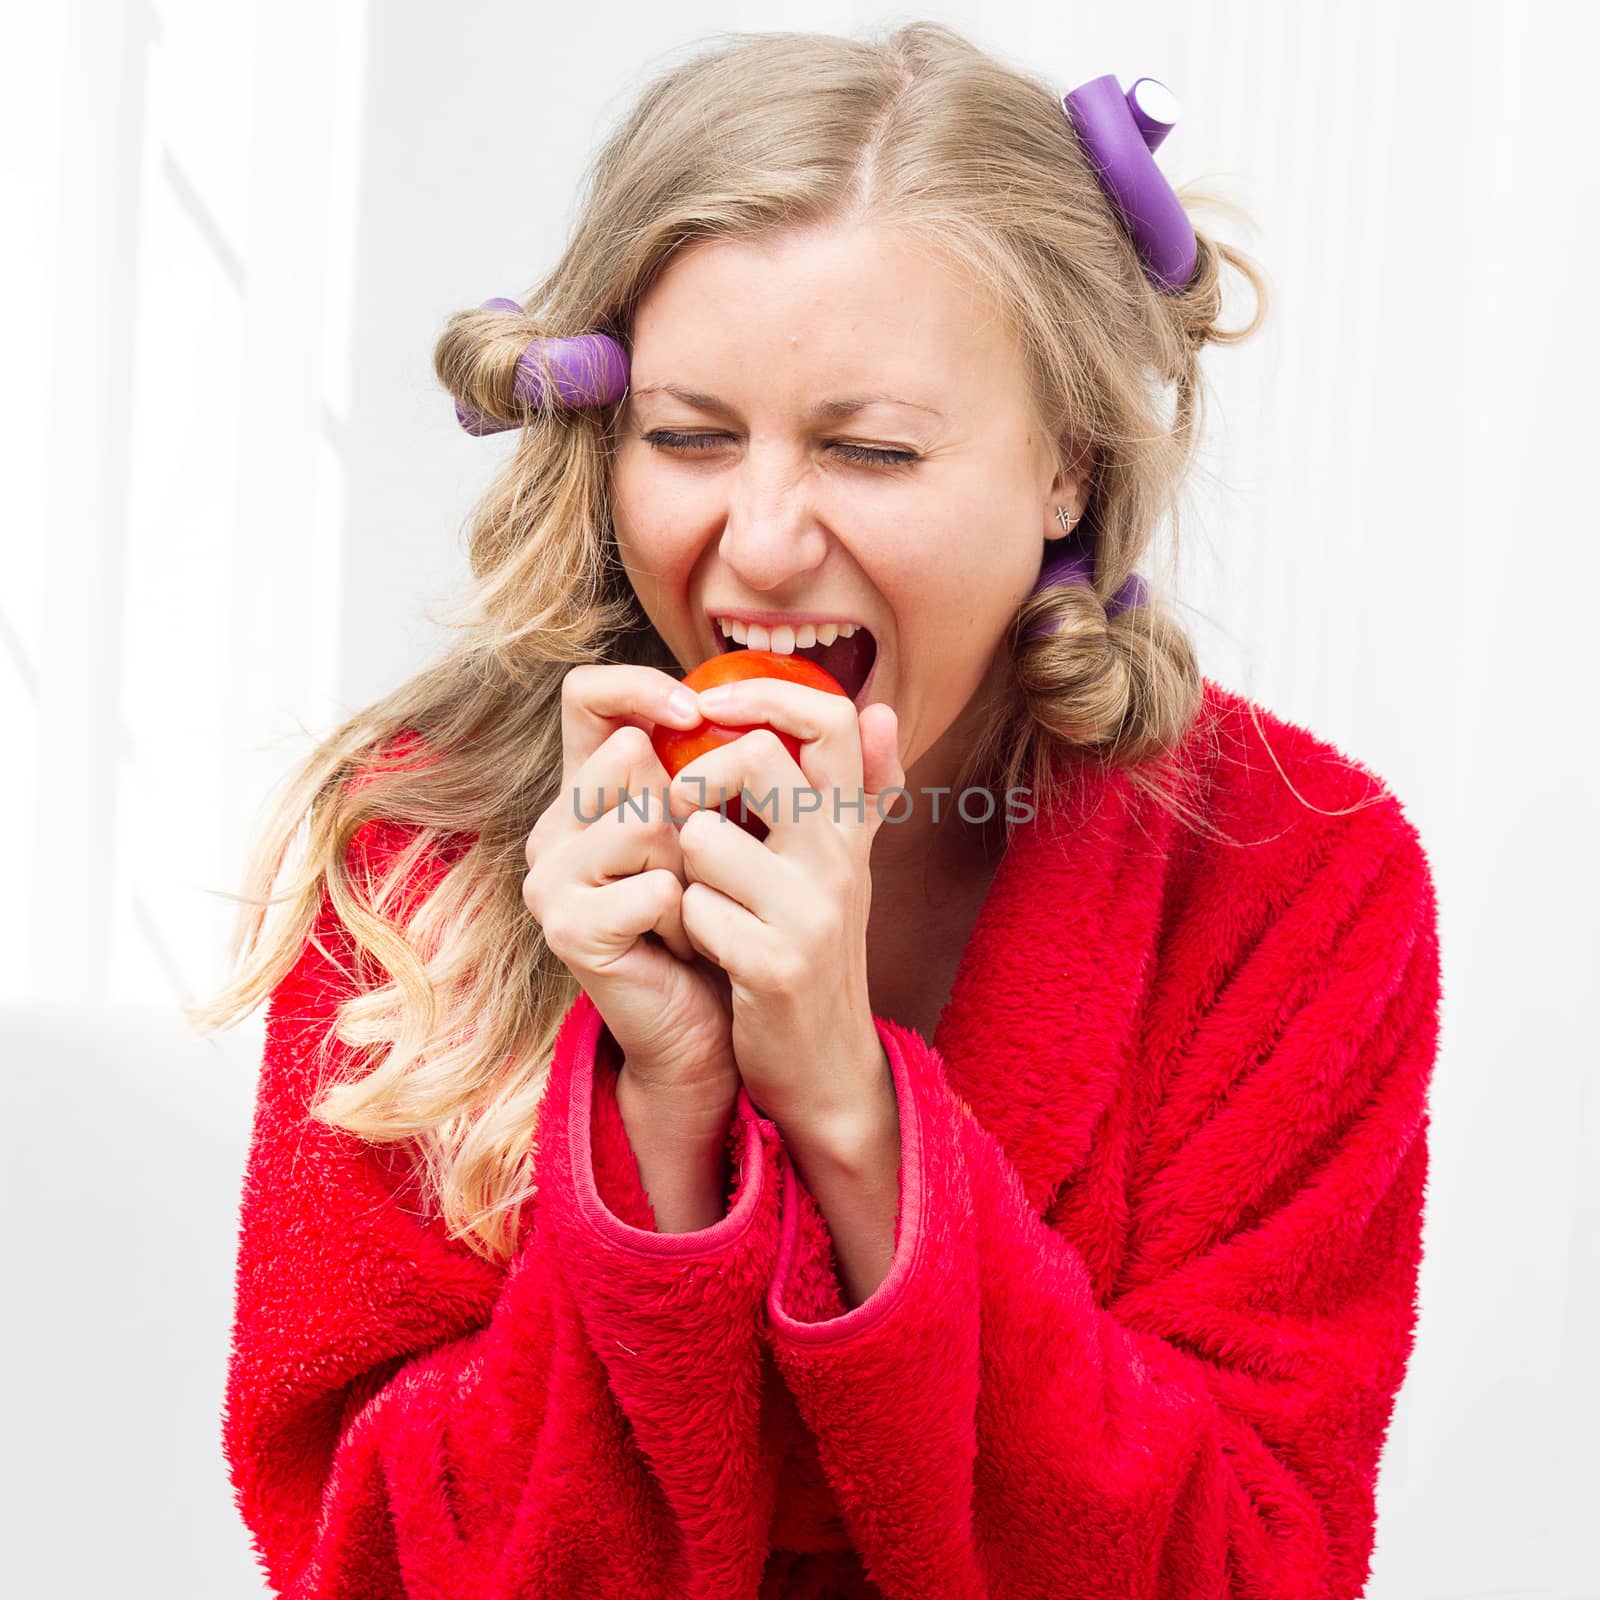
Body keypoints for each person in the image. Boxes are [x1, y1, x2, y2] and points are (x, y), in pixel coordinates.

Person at [191, 22, 1442, 1599]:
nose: (763, 542)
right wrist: (660, 1121)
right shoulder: (419, 855)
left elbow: (1255, 1568)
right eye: (689, 435)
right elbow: (363, 1562)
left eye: (869, 448)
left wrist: (853, 1117)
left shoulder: (1300, 882)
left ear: (1065, 469)